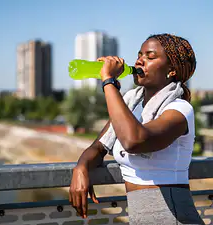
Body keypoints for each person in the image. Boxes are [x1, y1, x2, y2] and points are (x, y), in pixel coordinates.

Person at [69, 33, 205, 225]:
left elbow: (134, 141)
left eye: (150, 57)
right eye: (139, 55)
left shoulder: (179, 110)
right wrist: (81, 167)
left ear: (172, 70)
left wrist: (108, 82)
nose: (140, 61)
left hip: (175, 218)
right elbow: (98, 148)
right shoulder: (131, 106)